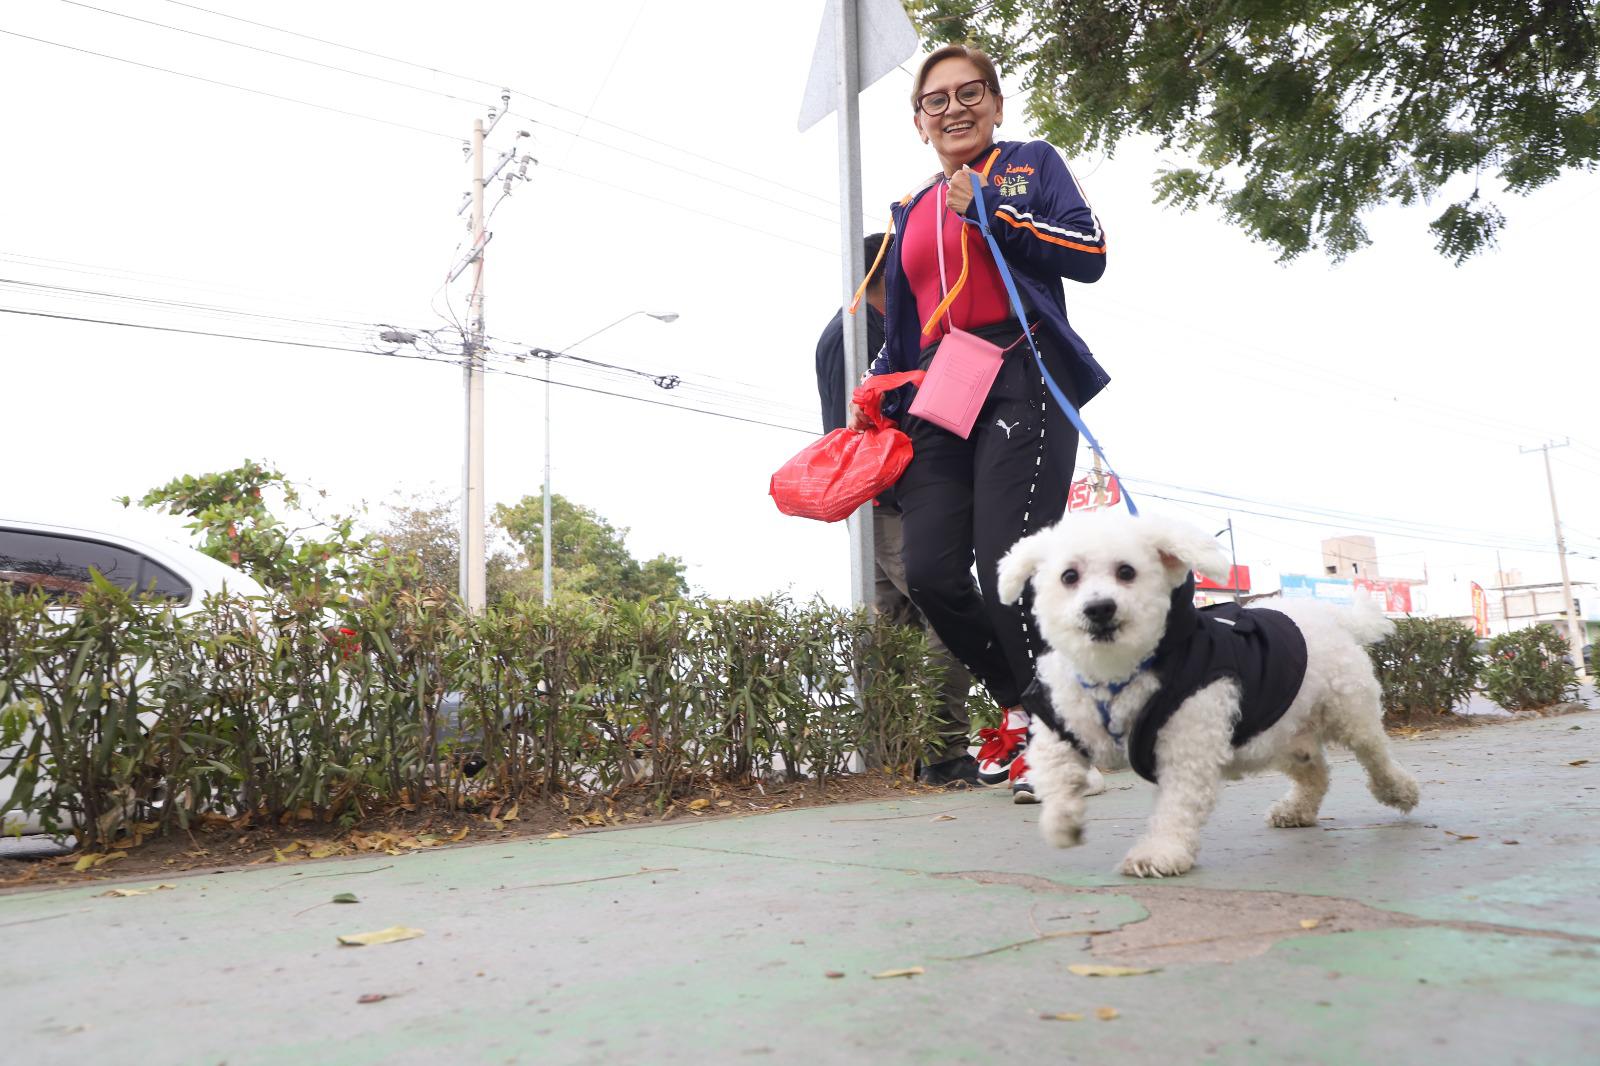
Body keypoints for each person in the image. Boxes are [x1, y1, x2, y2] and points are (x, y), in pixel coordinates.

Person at [851, 44, 1110, 802]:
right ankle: (1038, 711)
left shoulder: (1030, 165)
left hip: (1020, 372)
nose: (954, 108)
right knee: (930, 570)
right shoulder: (910, 213)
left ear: (996, 105)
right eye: (937, 100)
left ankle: (1059, 745)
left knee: (1008, 566)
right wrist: (880, 400)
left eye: (971, 94)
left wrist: (993, 209)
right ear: (919, 120)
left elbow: (1089, 253)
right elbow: (902, 336)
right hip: (940, 392)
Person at [816, 234, 978, 785]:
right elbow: (858, 429)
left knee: (892, 627)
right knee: (951, 609)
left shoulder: (874, 330)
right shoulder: (857, 336)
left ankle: (891, 756)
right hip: (889, 502)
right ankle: (944, 752)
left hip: (890, 501)